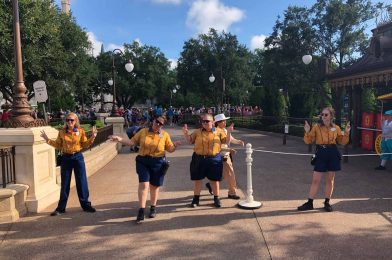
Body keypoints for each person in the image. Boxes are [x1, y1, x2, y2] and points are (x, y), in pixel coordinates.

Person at [109, 116, 180, 223]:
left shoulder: (164, 135)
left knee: (154, 186)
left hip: (158, 162)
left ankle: (153, 207)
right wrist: (119, 139)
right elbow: (132, 142)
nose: (158, 124)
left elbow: (169, 149)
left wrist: (175, 146)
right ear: (153, 121)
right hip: (143, 161)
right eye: (157, 122)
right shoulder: (143, 132)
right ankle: (141, 210)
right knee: (144, 184)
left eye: (161, 124)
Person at [40, 112, 98, 216]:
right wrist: (47, 139)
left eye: (71, 120)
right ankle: (61, 208)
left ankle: (86, 205)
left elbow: (84, 144)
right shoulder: (62, 132)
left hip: (78, 157)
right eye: (67, 120)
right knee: (65, 183)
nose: (69, 122)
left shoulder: (80, 131)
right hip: (66, 158)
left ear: (76, 121)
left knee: (81, 181)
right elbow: (58, 145)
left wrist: (93, 137)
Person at [298, 107, 350, 212]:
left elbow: (342, 142)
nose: (323, 116)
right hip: (321, 153)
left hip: (332, 153)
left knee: (330, 180)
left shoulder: (336, 128)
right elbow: (308, 141)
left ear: (331, 116)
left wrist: (347, 133)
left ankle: (327, 202)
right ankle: (310, 202)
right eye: (322, 114)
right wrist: (307, 132)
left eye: (326, 114)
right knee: (315, 179)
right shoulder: (317, 127)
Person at [182, 113, 232, 208]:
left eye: (207, 121)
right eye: (203, 121)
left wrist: (229, 132)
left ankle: (216, 198)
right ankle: (196, 199)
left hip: (214, 159)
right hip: (198, 158)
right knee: (198, 180)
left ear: (212, 122)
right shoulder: (197, 132)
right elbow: (190, 141)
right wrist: (185, 134)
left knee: (214, 180)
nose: (204, 123)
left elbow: (226, 141)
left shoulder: (219, 131)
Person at [205, 113, 244, 200]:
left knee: (221, 175)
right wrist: (229, 150)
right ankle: (232, 193)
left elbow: (231, 139)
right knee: (230, 175)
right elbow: (218, 147)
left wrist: (239, 141)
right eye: (223, 121)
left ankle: (211, 184)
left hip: (226, 156)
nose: (225, 122)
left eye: (225, 120)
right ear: (218, 122)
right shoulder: (215, 132)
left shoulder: (225, 130)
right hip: (221, 156)